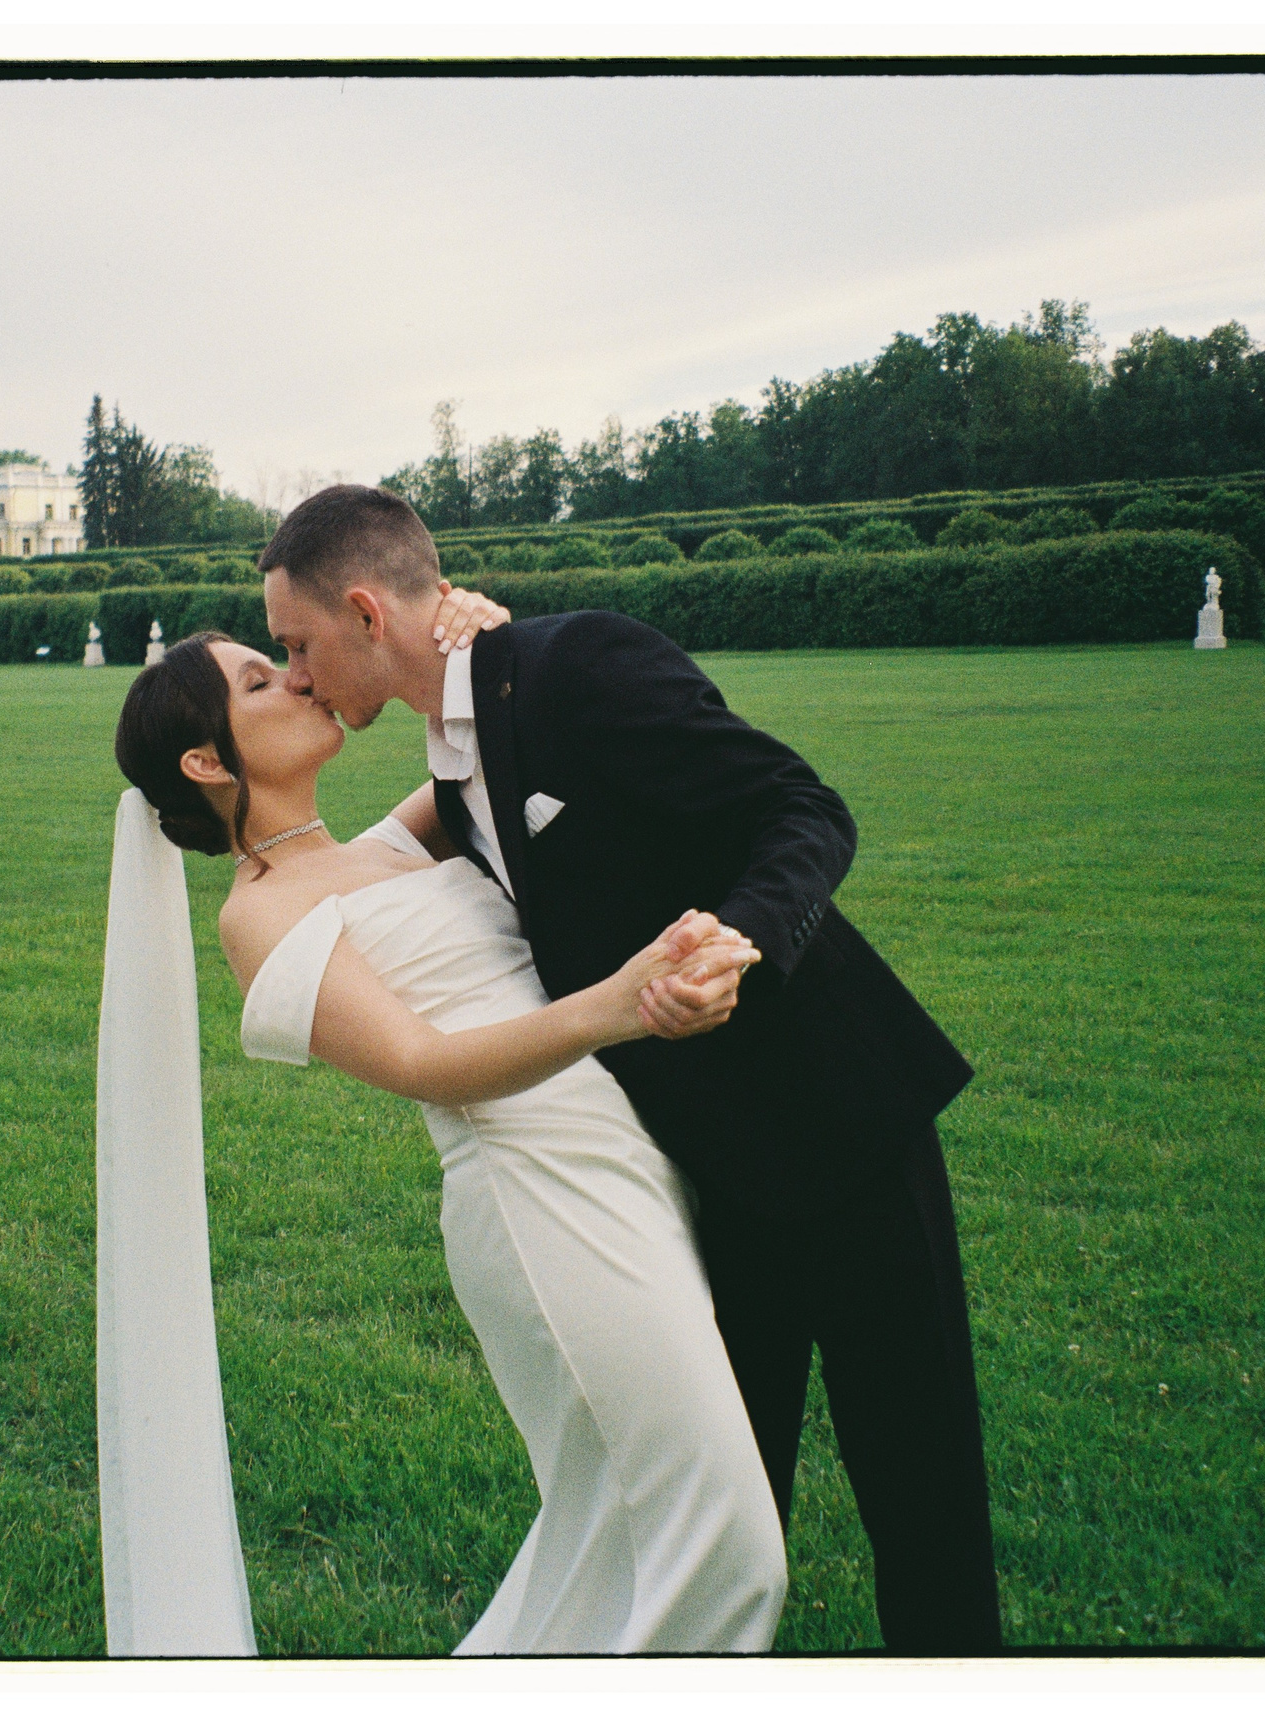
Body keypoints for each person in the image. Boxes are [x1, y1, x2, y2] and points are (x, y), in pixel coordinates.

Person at [258, 486, 1002, 1654]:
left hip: (840, 1125)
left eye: (295, 646)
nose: (294, 675)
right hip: (701, 1177)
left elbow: (801, 808)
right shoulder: (456, 764)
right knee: (722, 1511)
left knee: (919, 1491)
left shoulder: (580, 665)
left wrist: (736, 941)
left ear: (364, 611)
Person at [109, 621, 789, 1655]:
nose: (296, 679)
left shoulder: (377, 848)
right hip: (537, 1200)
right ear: (205, 760)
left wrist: (475, 628)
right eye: (259, 680)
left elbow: (480, 732)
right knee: (727, 1546)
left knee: (614, 1532)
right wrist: (619, 1003)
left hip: (626, 1163)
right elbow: (422, 1064)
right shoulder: (257, 914)